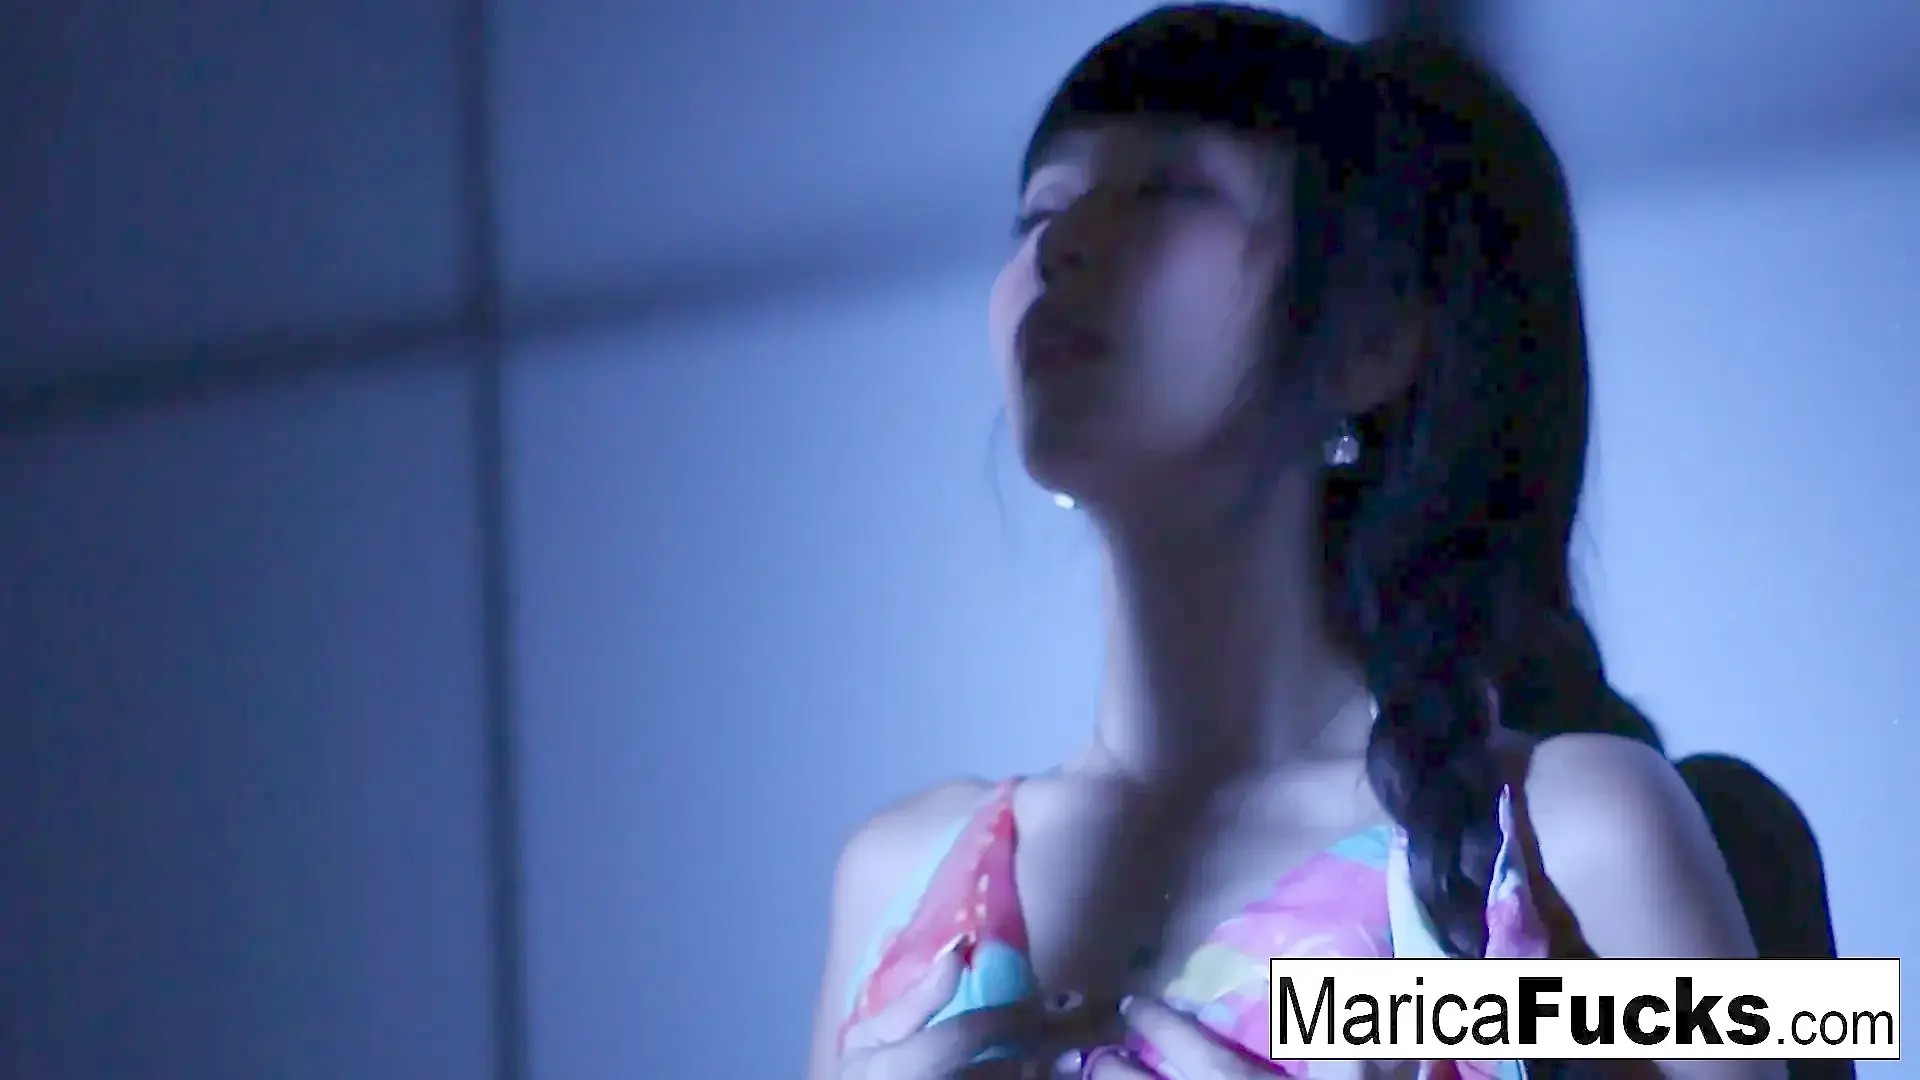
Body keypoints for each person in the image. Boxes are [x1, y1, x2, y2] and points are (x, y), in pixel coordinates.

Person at [808, 6, 1775, 1079]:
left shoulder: (1580, 836)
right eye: (1040, 210)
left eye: (1168, 192)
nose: (1060, 246)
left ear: (1373, 342)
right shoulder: (897, 877)